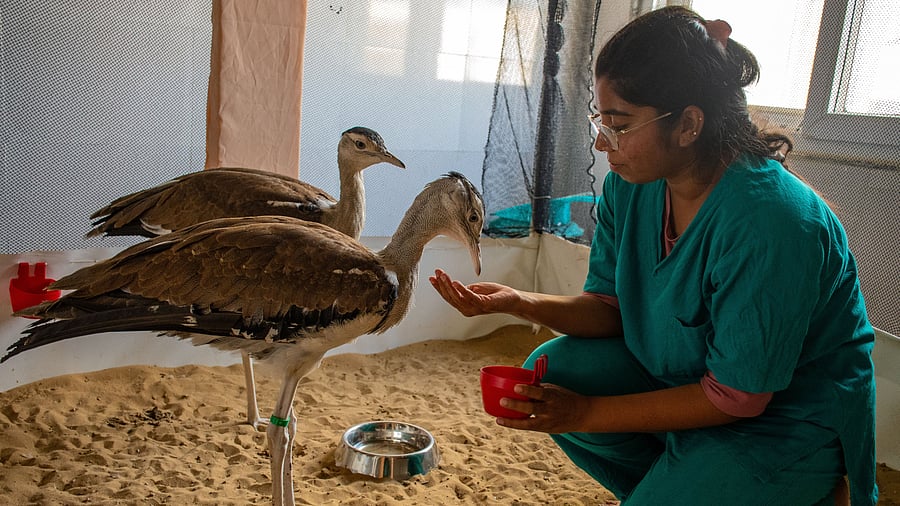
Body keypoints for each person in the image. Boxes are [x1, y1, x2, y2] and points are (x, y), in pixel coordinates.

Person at [430, 6, 877, 505]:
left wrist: (583, 414)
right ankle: (681, 480)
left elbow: (739, 396)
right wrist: (517, 301)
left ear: (688, 125)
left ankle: (800, 486)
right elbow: (608, 308)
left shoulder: (770, 222)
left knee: (587, 404)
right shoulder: (634, 185)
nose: (602, 143)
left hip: (783, 418)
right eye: (601, 120)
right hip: (694, 380)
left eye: (619, 124)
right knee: (551, 371)